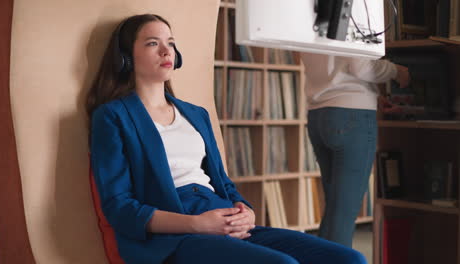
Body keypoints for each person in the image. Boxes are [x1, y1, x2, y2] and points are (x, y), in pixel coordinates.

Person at [87, 14, 367, 264]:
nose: (166, 50)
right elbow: (119, 207)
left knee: (349, 258)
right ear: (125, 56)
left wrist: (245, 210)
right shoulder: (112, 116)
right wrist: (196, 224)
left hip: (222, 218)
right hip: (175, 235)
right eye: (152, 43)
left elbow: (222, 182)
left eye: (170, 42)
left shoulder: (196, 114)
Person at [300, 53, 410, 248]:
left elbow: (337, 67)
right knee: (342, 215)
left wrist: (373, 94)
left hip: (319, 115)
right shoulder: (357, 19)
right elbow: (361, 67)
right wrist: (396, 70)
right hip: (352, 116)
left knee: (335, 211)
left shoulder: (308, 20)